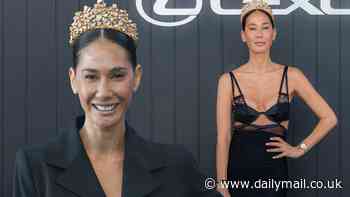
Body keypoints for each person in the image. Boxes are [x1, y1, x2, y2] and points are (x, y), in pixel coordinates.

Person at [13, 1, 222, 196]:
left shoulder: (176, 166)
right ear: (73, 80)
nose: (103, 92)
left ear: (136, 77)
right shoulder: (35, 167)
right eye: (91, 76)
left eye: (117, 75)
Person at [215, 0, 338, 196]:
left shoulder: (292, 76)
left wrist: (300, 148)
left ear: (274, 34)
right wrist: (221, 183)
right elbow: (223, 137)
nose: (259, 34)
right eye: (252, 28)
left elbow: (329, 118)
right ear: (243, 35)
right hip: (238, 173)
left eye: (265, 27)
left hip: (275, 174)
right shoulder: (228, 80)